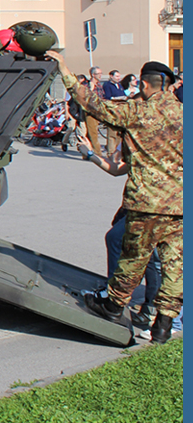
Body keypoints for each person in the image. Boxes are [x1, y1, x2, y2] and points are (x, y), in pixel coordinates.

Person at [47, 53, 183, 343]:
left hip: (147, 204)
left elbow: (93, 104)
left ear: (146, 85)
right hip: (181, 206)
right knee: (175, 265)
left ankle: (113, 306)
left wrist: (64, 69)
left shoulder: (137, 112)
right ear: (169, 86)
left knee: (134, 258)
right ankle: (163, 325)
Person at [75, 129, 161, 339]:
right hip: (139, 204)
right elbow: (117, 168)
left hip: (159, 206)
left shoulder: (160, 140)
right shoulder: (141, 139)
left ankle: (115, 298)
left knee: (116, 238)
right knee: (146, 254)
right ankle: (147, 308)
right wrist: (89, 154)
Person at [101, 70, 127, 154]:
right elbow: (108, 97)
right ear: (111, 76)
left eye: (119, 76)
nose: (119, 78)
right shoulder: (107, 85)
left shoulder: (119, 85)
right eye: (117, 76)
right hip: (112, 110)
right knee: (112, 134)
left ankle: (117, 152)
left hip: (120, 111)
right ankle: (111, 152)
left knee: (119, 134)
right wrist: (119, 98)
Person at [84, 66, 105, 154]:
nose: (100, 75)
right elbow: (85, 97)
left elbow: (102, 97)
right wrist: (91, 88)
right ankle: (98, 153)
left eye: (101, 73)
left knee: (91, 133)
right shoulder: (87, 84)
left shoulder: (99, 84)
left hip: (98, 111)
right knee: (93, 133)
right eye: (98, 74)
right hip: (90, 112)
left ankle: (85, 152)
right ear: (93, 75)